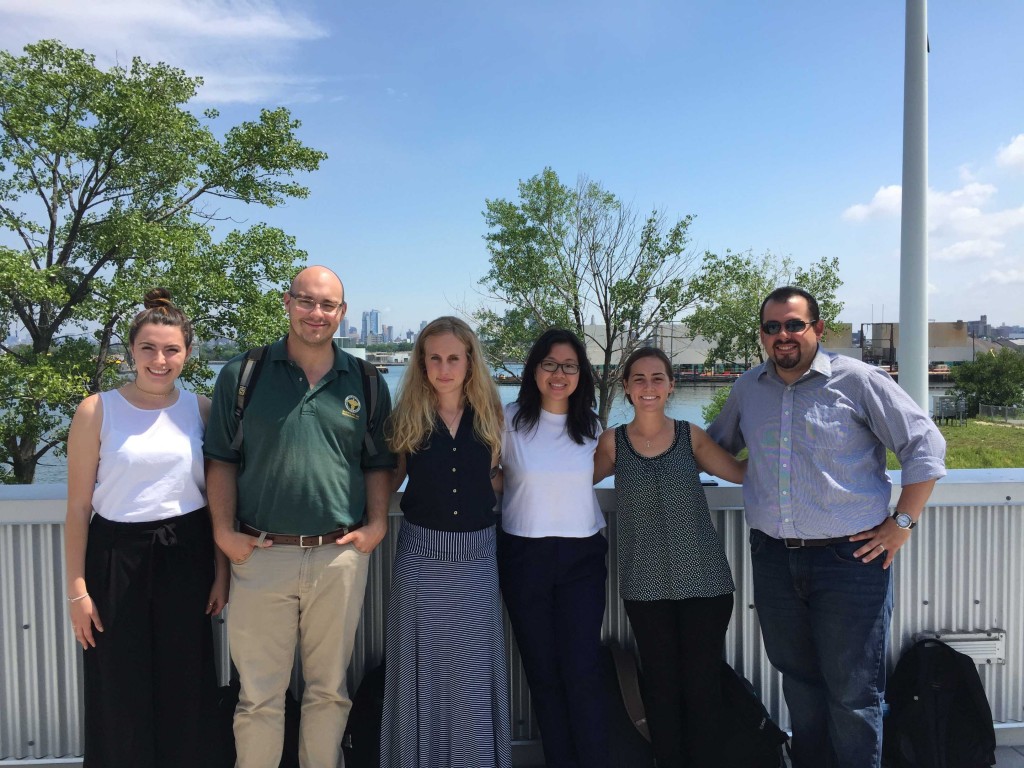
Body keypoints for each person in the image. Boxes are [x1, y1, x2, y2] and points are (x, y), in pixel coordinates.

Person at [707, 286, 947, 768]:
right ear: (762, 335)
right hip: (773, 558)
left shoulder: (858, 380)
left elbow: (926, 446)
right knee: (800, 685)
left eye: (794, 324)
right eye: (772, 327)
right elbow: (717, 446)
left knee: (854, 694)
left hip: (851, 562)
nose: (783, 336)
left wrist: (902, 522)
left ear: (817, 328)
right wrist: (652, 438)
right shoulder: (748, 387)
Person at [204, 266, 396, 768]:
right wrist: (224, 534)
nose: (317, 313)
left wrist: (377, 525)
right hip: (260, 554)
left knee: (329, 691)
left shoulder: (367, 380)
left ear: (342, 313)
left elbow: (379, 462)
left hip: (338, 556)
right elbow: (221, 460)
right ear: (287, 303)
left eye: (327, 305)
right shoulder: (243, 374)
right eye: (306, 302)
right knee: (258, 698)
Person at [65, 288, 227, 767]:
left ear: (188, 353)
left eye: (172, 349)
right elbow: (77, 509)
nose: (160, 360)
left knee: (186, 687)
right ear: (130, 352)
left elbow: (218, 500)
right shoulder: (97, 410)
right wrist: (77, 590)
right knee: (119, 687)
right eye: (149, 348)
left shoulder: (201, 409)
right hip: (116, 557)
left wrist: (220, 572)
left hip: (188, 554)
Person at [593, 346, 745, 768]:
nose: (648, 387)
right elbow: (566, 482)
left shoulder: (690, 436)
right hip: (646, 587)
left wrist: (788, 451)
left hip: (706, 583)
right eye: (638, 379)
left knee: (701, 689)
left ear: (671, 385)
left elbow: (740, 473)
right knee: (659, 689)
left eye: (657, 378)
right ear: (625, 387)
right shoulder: (612, 443)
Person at [380, 316, 511, 768]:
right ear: (421, 363)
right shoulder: (407, 417)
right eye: (434, 358)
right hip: (421, 560)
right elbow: (388, 480)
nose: (444, 367)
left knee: (472, 676)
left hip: (476, 560)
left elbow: (498, 479)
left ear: (470, 361)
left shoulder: (493, 415)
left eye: (454, 357)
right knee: (423, 676)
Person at [498, 328, 608, 768]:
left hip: (581, 557)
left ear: (581, 374)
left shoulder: (594, 427)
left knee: (582, 672)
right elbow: (488, 475)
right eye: (549, 364)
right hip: (524, 557)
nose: (559, 374)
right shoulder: (507, 419)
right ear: (534, 370)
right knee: (542, 675)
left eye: (569, 366)